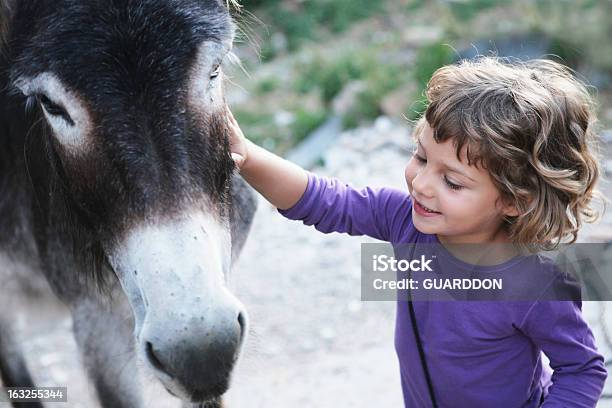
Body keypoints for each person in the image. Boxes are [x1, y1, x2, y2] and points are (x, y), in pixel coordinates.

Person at [225, 56, 608, 407]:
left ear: (514, 200)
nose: (422, 184)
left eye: (452, 182)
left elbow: (582, 369)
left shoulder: (538, 282)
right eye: (421, 157)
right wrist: (248, 156)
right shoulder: (405, 221)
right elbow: (323, 198)